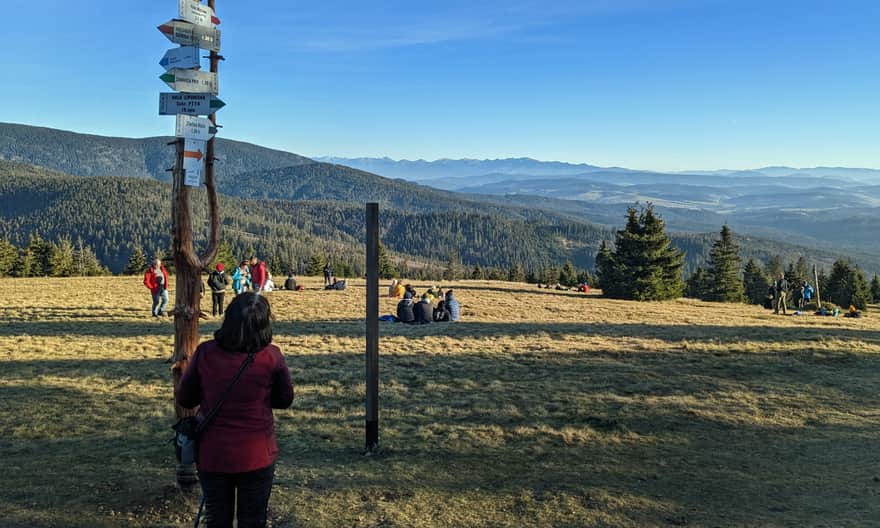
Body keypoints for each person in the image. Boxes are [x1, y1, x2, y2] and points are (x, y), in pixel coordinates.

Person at [176, 293, 294, 528]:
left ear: (228, 319)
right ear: (264, 325)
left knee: (217, 519)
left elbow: (186, 399)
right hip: (257, 454)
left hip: (213, 453)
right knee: (253, 520)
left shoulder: (205, 353)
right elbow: (284, 400)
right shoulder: (272, 357)